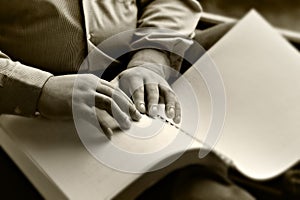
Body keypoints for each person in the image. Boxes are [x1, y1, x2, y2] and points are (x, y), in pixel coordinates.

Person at [0, 1, 260, 199]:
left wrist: (151, 57)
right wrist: (40, 89)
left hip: (146, 59)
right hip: (38, 111)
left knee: (251, 46)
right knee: (202, 190)